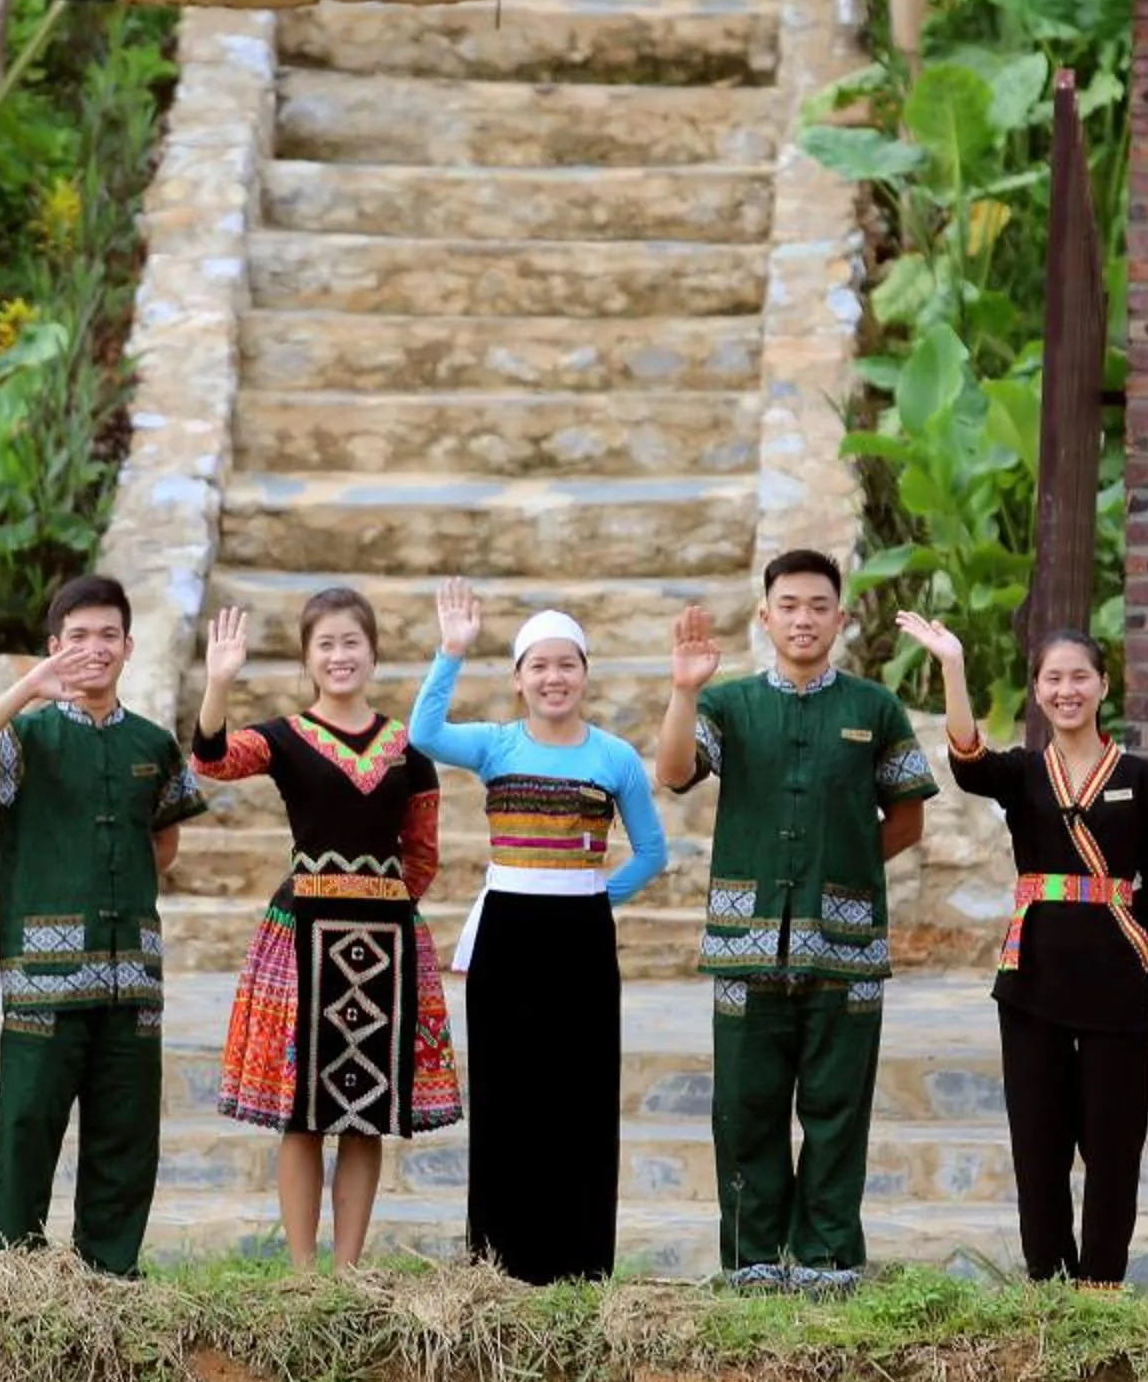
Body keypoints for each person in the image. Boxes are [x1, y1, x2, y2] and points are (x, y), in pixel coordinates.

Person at [651, 550, 937, 1294]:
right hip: (743, 949)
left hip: (849, 951)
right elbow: (674, 773)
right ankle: (750, 1261)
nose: (803, 618)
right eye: (789, 605)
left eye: (818, 606)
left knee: (838, 1110)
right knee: (745, 1109)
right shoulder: (729, 704)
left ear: (841, 619)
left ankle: (826, 1261)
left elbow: (905, 818)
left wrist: (839, 863)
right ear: (765, 615)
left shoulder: (873, 708)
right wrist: (684, 691)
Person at [895, 614, 1148, 1288]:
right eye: (1053, 678)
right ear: (1037, 692)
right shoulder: (1025, 773)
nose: (1066, 690)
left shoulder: (1138, 777)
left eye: (1079, 676)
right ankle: (1050, 1288)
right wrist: (952, 665)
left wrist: (1122, 927)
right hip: (1032, 982)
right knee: (1039, 1139)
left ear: (1103, 686)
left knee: (1115, 1143)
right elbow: (968, 764)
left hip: (1117, 987)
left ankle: (1103, 1285)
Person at [0, 573, 205, 1276]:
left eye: (107, 635)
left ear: (128, 646)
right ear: (54, 647)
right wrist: (28, 687)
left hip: (133, 986)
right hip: (41, 987)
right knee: (27, 1128)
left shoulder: (153, 743)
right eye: (77, 637)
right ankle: (11, 1280)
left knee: (126, 1137)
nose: (94, 649)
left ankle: (110, 1278)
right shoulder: (23, 736)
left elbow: (166, 840)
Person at [193, 590, 461, 1270]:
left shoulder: (409, 749)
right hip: (303, 939)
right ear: (307, 658)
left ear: (372, 653)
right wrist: (219, 682)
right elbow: (212, 761)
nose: (339, 656)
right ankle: (304, 1273)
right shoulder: (283, 738)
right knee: (303, 1110)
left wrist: (383, 904)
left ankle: (347, 1267)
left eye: (351, 643)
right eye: (326, 645)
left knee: (367, 1113)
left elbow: (422, 854)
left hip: (385, 947)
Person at [410, 578, 668, 1283]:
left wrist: (588, 897)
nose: (554, 678)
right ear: (519, 679)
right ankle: (500, 1264)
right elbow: (423, 734)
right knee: (506, 1096)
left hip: (579, 939)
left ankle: (580, 1267)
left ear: (585, 673)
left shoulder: (613, 757)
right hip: (508, 937)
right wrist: (451, 652)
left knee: (580, 1099)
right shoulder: (496, 745)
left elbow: (652, 853)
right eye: (539, 666)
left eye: (567, 664)